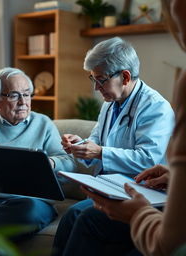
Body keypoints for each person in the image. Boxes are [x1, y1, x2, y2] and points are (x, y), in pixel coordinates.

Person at [61, 0, 186, 255]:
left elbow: (147, 160)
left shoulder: (155, 107)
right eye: (93, 79)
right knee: (72, 216)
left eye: (101, 80)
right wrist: (81, 148)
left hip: (138, 192)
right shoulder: (110, 102)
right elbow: (97, 141)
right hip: (110, 186)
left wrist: (99, 152)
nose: (96, 88)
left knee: (76, 216)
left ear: (125, 77)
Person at [0, 67, 76, 240]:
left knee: (28, 211)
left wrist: (50, 163)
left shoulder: (43, 124)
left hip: (30, 200)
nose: (23, 101)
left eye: (27, 94)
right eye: (14, 95)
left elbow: (69, 161)